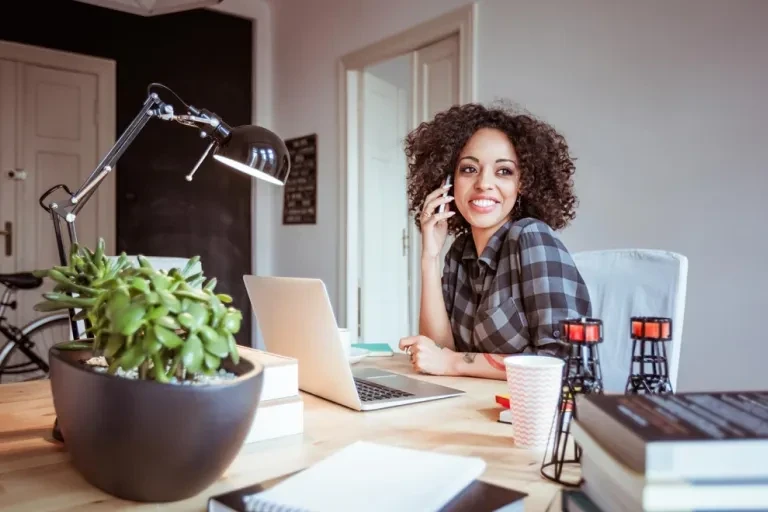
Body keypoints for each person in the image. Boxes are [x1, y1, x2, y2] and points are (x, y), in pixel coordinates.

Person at [398, 102, 591, 381]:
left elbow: (562, 362)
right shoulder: (458, 253)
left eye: (503, 171)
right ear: (448, 182)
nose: (484, 183)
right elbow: (437, 354)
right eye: (468, 169)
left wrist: (454, 363)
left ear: (522, 183)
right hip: (477, 407)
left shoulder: (531, 238)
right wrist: (430, 257)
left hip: (536, 415)